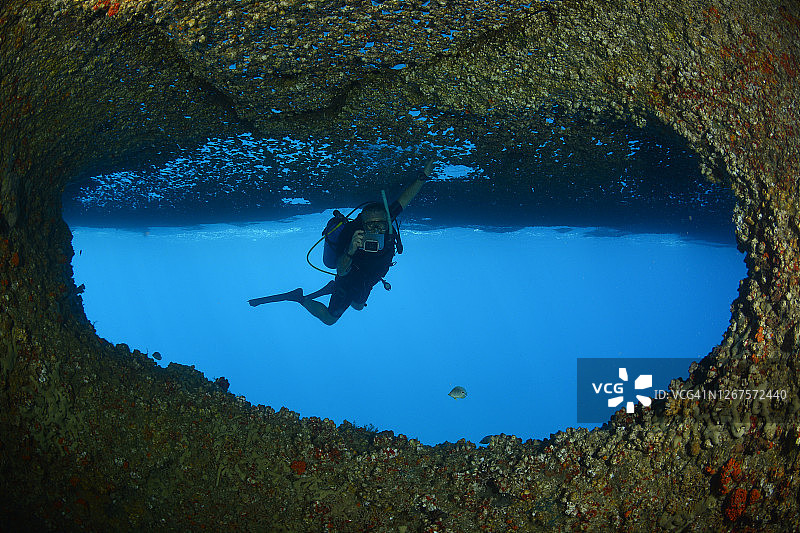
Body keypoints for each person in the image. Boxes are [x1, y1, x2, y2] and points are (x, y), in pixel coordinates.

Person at [249, 157, 436, 325]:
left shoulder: (387, 219)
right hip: (349, 279)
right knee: (330, 319)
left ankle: (334, 290)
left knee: (358, 306)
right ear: (363, 223)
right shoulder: (351, 234)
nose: (377, 229)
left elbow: (406, 198)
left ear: (386, 220)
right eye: (371, 225)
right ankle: (300, 298)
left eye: (381, 224)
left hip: (370, 278)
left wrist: (424, 174)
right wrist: (351, 250)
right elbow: (340, 269)